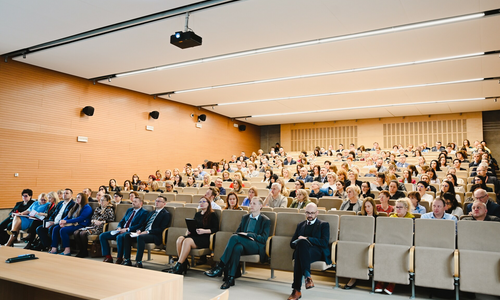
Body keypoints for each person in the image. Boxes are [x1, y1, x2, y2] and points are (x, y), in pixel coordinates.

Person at [205, 197, 270, 289]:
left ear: (260, 206)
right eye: (251, 203)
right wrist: (244, 236)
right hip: (243, 244)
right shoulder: (245, 217)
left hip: (256, 245)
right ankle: (230, 279)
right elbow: (238, 232)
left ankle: (220, 266)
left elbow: (263, 238)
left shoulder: (265, 220)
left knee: (234, 238)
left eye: (254, 204)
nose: (251, 205)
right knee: (237, 248)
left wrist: (248, 235)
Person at [287, 203, 330, 300]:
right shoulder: (300, 225)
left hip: (317, 252)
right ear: (305, 212)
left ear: (317, 213)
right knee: (300, 247)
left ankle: (296, 290)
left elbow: (324, 242)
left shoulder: (324, 224)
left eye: (312, 213)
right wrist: (300, 241)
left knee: (300, 250)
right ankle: (307, 277)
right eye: (308, 213)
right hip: (303, 252)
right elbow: (292, 244)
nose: (310, 215)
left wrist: (307, 239)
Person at [123, 196, 171, 268]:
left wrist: (147, 232)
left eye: (159, 201)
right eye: (156, 201)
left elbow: (161, 229)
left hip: (155, 235)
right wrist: (140, 230)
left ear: (164, 204)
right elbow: (144, 224)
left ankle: (138, 261)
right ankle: (127, 259)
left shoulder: (166, 214)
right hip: (144, 233)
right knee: (127, 235)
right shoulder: (152, 212)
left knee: (141, 237)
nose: (156, 202)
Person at [100, 194, 149, 264]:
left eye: (135, 201)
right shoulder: (129, 210)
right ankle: (108, 257)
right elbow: (122, 220)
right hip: (121, 229)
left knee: (119, 237)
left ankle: (119, 258)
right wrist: (119, 227)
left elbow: (140, 225)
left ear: (141, 203)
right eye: (133, 201)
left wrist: (126, 229)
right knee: (102, 235)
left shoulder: (144, 212)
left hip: (131, 232)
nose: (133, 202)